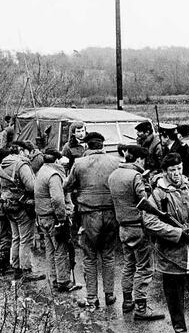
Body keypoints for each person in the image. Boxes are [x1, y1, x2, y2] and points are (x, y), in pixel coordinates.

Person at [142, 153, 189, 333]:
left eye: (179, 169)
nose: (177, 173)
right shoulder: (158, 194)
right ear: (165, 172)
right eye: (172, 170)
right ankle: (180, 330)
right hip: (171, 251)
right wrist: (175, 233)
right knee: (174, 295)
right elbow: (150, 221)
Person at [107, 145, 165, 320]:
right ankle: (141, 307)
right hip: (138, 227)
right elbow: (144, 202)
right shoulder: (136, 176)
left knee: (129, 265)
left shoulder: (114, 175)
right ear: (139, 159)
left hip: (123, 227)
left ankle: (127, 301)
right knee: (144, 267)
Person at [64, 132, 120, 309]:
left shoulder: (79, 163)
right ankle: (109, 294)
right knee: (108, 255)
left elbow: (67, 186)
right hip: (111, 214)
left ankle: (92, 298)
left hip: (89, 215)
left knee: (89, 256)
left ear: (87, 146)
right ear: (102, 146)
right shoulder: (115, 162)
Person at [0, 142, 44, 282]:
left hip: (7, 204)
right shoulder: (21, 164)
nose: (30, 155)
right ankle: (26, 270)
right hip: (21, 206)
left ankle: (16, 266)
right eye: (29, 152)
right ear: (22, 151)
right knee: (26, 239)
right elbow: (31, 186)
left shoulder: (5, 163)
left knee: (16, 237)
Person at [35, 148, 80, 293]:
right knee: (61, 249)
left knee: (50, 250)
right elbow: (57, 199)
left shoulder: (41, 171)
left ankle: (54, 279)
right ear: (56, 160)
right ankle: (63, 281)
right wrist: (62, 218)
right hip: (53, 218)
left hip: (42, 216)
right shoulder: (54, 175)